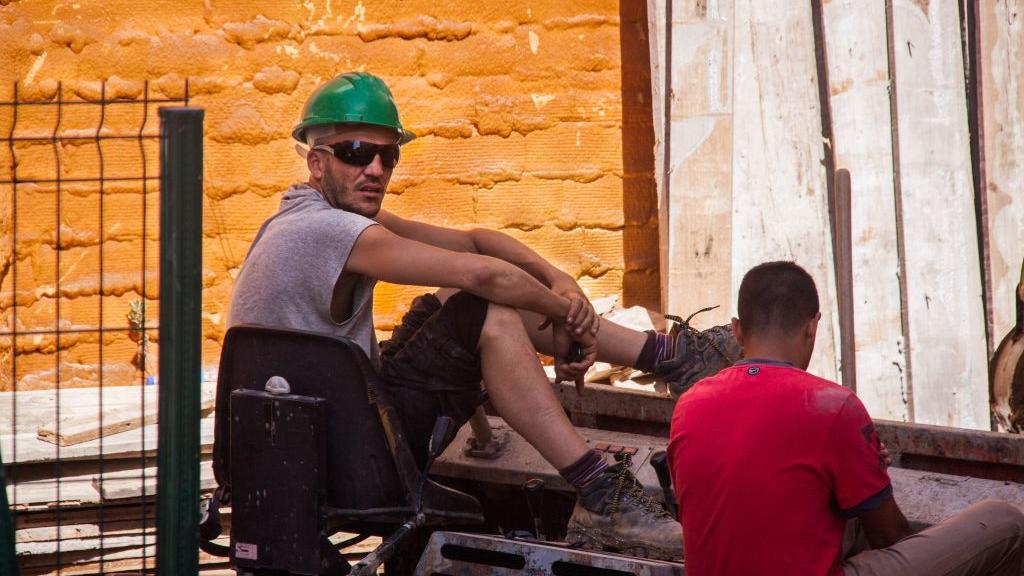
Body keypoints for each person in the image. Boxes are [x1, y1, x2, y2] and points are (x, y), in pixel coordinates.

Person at [226, 71, 741, 560]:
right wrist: (568, 314)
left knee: (453, 298)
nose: (375, 170)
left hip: (321, 438)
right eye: (356, 153)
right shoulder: (328, 232)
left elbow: (475, 242)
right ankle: (602, 492)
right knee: (486, 310)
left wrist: (558, 279)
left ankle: (673, 356)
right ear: (316, 163)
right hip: (337, 458)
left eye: (388, 156)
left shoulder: (313, 219)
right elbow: (487, 277)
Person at [667, 260, 1024, 575]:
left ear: (736, 330)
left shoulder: (689, 406)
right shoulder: (831, 406)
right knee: (1005, 522)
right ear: (812, 327)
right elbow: (891, 535)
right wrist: (868, 471)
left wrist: (856, 472)